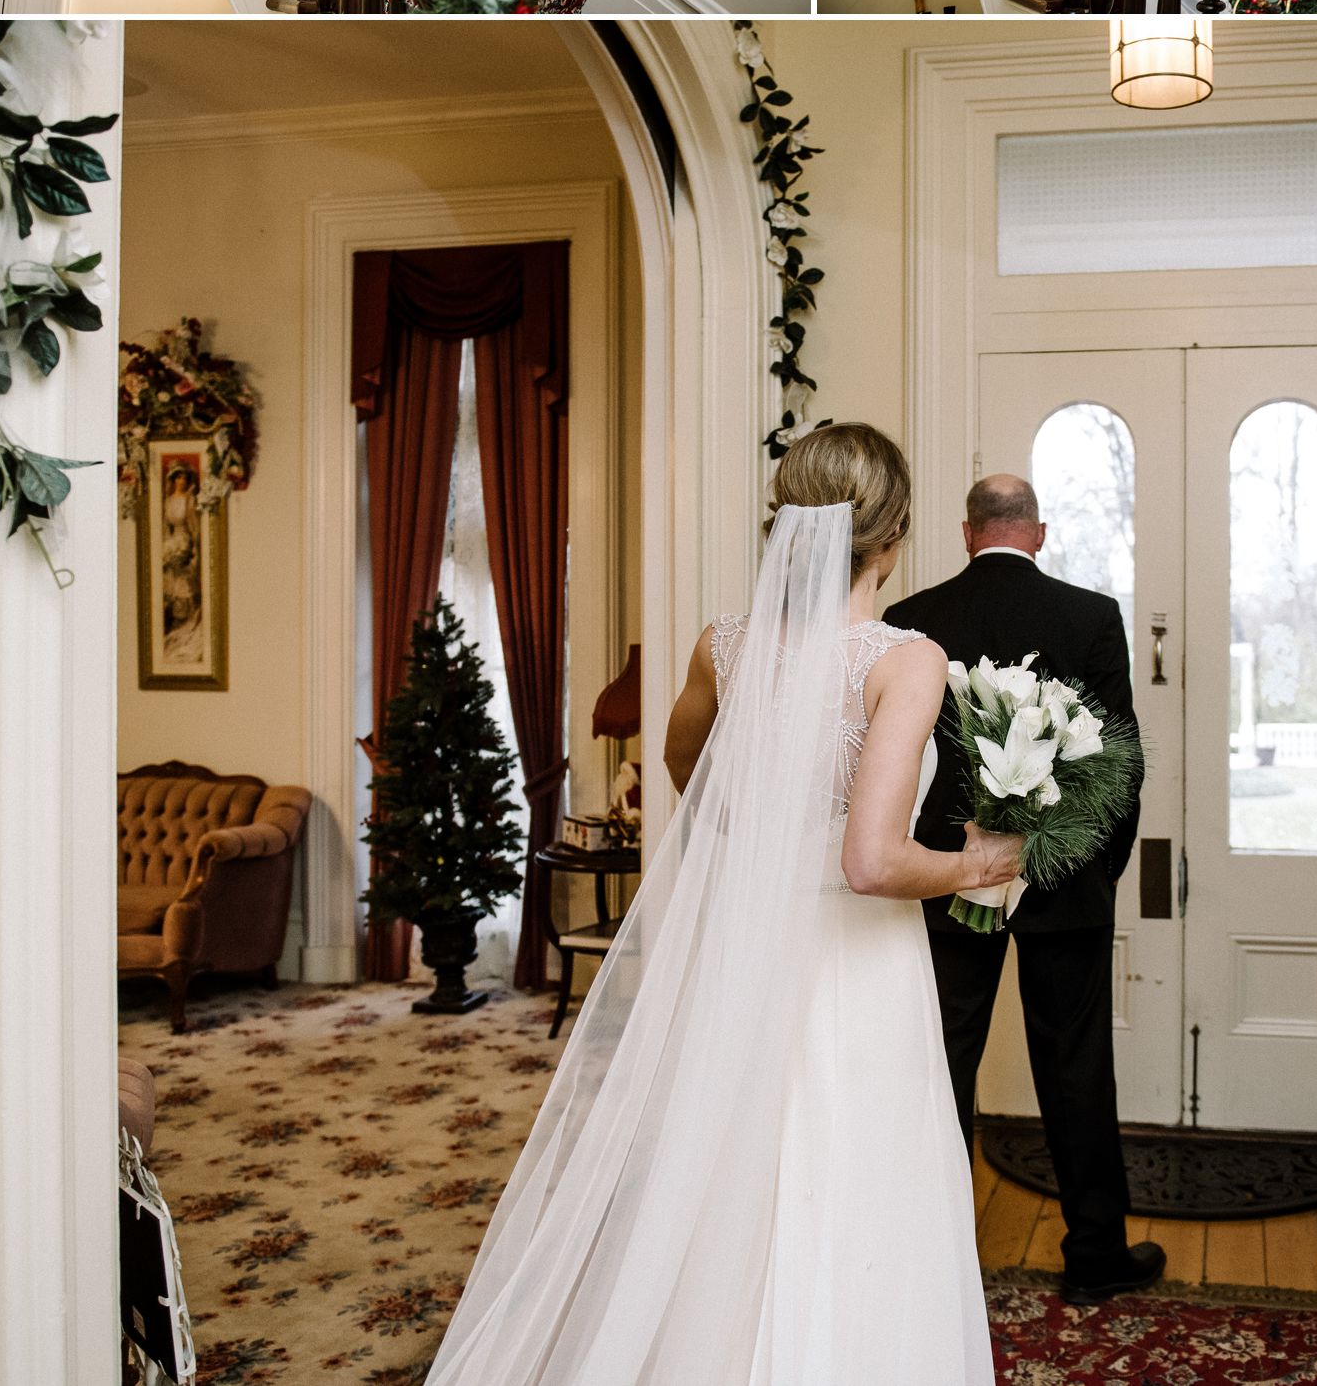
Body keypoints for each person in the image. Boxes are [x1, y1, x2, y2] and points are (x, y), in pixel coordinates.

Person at [422, 423, 1016, 1384]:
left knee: (738, 1171)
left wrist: (765, 845)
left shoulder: (724, 644)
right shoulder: (905, 658)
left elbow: (683, 761)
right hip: (859, 965)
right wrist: (975, 866)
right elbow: (871, 861)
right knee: (858, 1177)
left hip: (753, 946)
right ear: (894, 537)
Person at [884, 473, 1159, 1306]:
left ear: (970, 532)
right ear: (1035, 532)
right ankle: (1095, 1256)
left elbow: (900, 769)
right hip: (1063, 883)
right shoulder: (1091, 615)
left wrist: (930, 861)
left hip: (942, 875)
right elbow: (1122, 766)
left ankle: (929, 1261)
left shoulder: (913, 619)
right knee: (1077, 1065)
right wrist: (1087, 871)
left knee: (940, 1065)